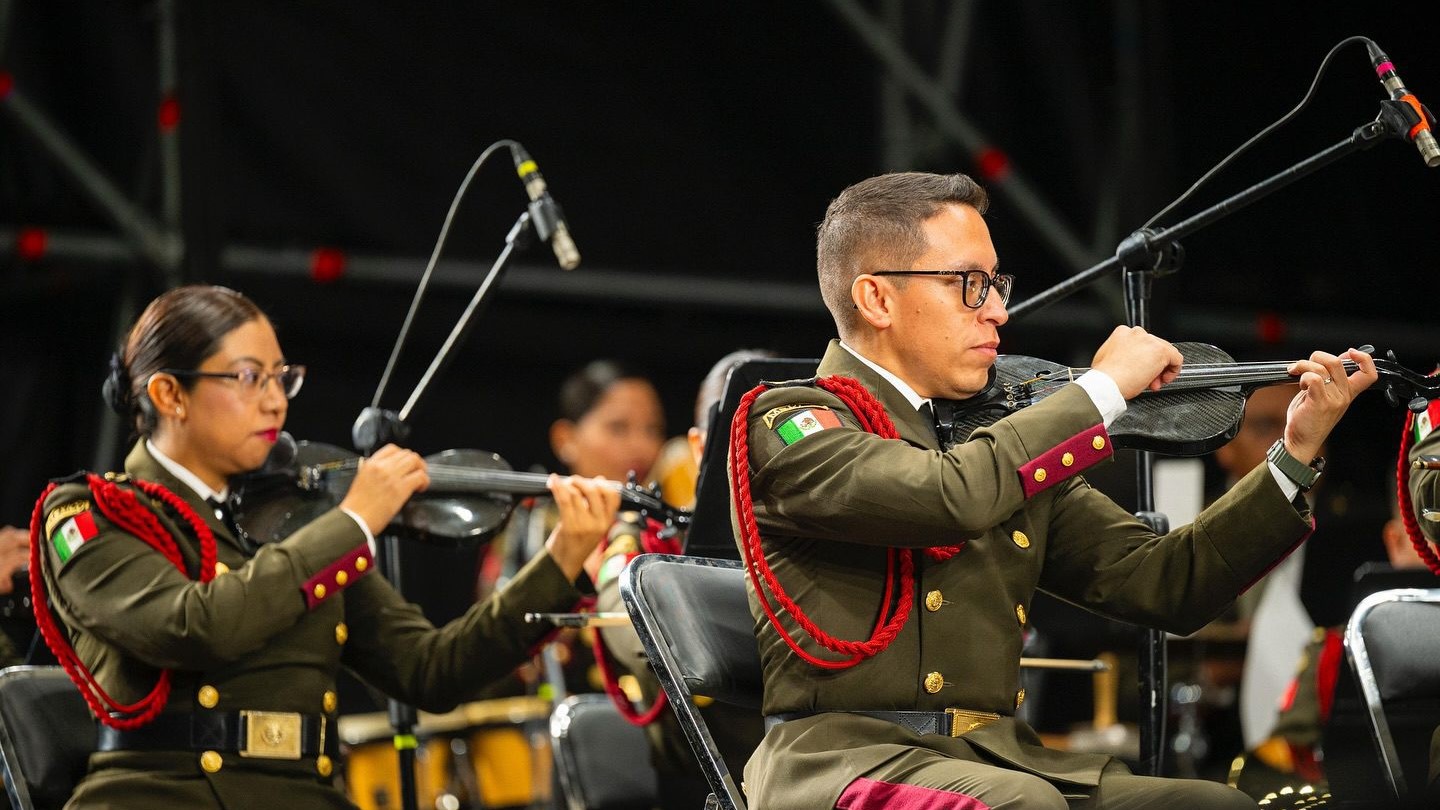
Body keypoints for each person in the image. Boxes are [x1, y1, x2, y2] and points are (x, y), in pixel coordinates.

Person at [729, 171, 1376, 809]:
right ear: (877, 299)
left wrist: (1294, 452)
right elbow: (948, 497)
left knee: (1213, 804)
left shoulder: (996, 441)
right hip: (841, 766)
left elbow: (1168, 582)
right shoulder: (787, 423)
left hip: (997, 759)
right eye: (969, 285)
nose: (999, 310)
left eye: (996, 283)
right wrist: (1098, 392)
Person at [32, 285, 616, 809]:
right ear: (170, 394)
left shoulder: (292, 517)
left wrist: (563, 557)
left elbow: (431, 670)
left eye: (282, 377)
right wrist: (355, 520)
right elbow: (195, 625)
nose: (275, 401)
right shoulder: (92, 512)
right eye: (247, 378)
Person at [594, 349, 771, 808]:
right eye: (738, 430)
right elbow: (635, 637)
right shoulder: (648, 539)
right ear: (700, 447)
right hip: (699, 781)